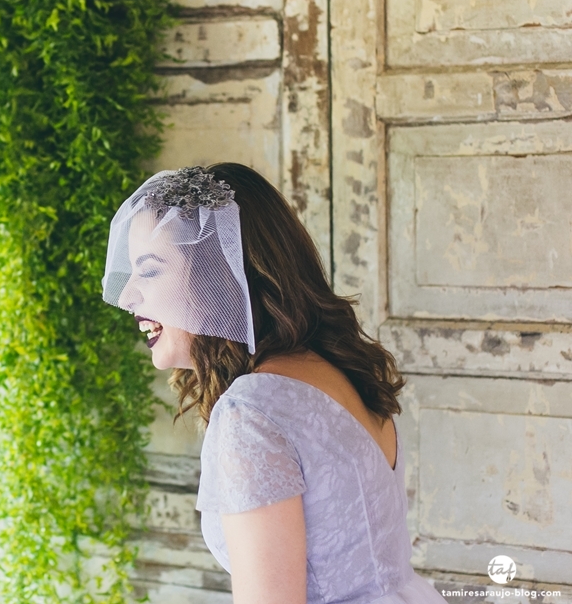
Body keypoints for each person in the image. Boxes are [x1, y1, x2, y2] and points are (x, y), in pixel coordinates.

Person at [102, 165, 447, 604]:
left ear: (218, 276)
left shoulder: (250, 412)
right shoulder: (336, 369)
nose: (127, 295)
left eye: (149, 272)